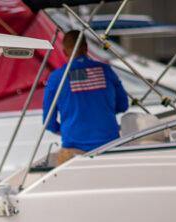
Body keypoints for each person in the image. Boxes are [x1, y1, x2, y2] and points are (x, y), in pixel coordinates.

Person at [42, 30, 129, 164]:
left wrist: (68, 130)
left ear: (64, 52)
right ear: (86, 48)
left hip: (74, 151)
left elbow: (49, 122)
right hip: (110, 146)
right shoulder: (106, 70)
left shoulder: (56, 78)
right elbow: (123, 105)